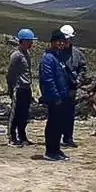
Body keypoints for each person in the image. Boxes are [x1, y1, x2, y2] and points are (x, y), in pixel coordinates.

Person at [38, 30, 71, 161]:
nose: (61, 44)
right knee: (53, 124)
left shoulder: (58, 57)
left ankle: (56, 149)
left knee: (60, 124)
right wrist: (55, 96)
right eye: (58, 41)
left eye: (63, 41)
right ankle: (50, 151)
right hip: (55, 97)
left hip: (63, 96)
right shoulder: (48, 58)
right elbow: (48, 79)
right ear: (52, 42)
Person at [55, 24, 86, 148]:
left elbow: (83, 68)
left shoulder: (77, 54)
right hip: (58, 88)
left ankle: (68, 137)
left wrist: (79, 80)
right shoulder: (55, 53)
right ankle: (56, 137)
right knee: (57, 114)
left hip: (71, 88)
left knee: (69, 114)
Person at [6, 28, 36, 147]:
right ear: (22, 41)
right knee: (16, 113)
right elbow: (10, 73)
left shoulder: (26, 54)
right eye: (29, 41)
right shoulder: (16, 55)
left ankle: (22, 136)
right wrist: (11, 88)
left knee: (24, 114)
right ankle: (12, 136)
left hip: (26, 88)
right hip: (18, 88)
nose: (31, 43)